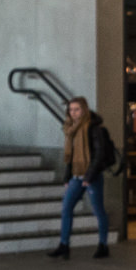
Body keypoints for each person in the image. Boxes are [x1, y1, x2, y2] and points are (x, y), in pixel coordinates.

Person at [49, 95, 118, 259]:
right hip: (76, 176)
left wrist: (89, 176)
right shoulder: (71, 129)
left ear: (84, 110)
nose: (73, 113)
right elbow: (70, 156)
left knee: (98, 211)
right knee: (66, 208)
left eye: (77, 109)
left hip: (91, 176)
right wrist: (67, 177)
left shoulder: (93, 128)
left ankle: (103, 245)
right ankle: (64, 245)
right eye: (71, 110)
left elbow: (99, 153)